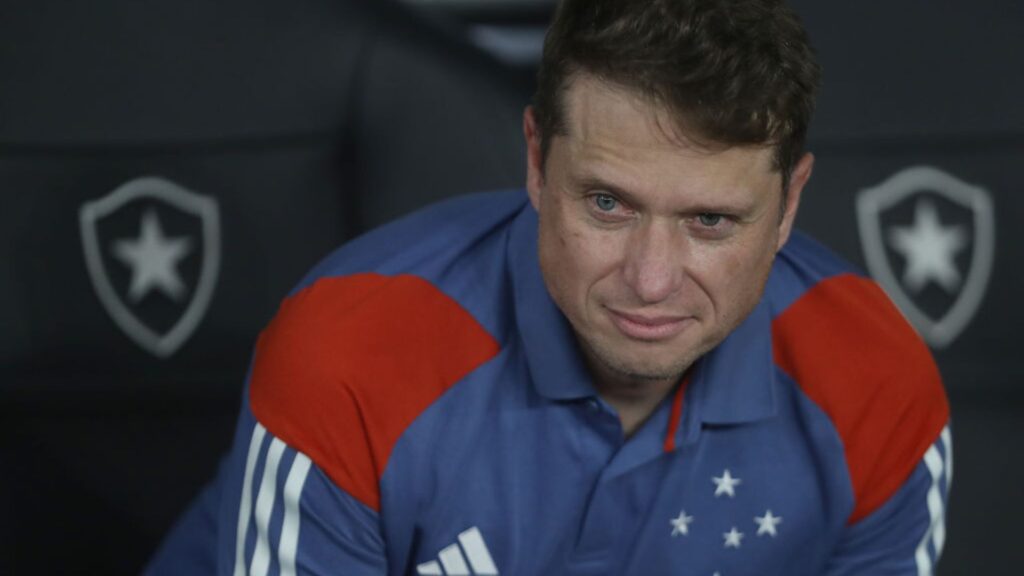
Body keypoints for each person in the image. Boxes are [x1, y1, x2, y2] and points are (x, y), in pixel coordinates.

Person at [146, 0, 951, 574]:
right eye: (607, 203)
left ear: (789, 204)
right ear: (536, 161)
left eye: (710, 221)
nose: (650, 279)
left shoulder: (876, 390)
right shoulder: (349, 358)